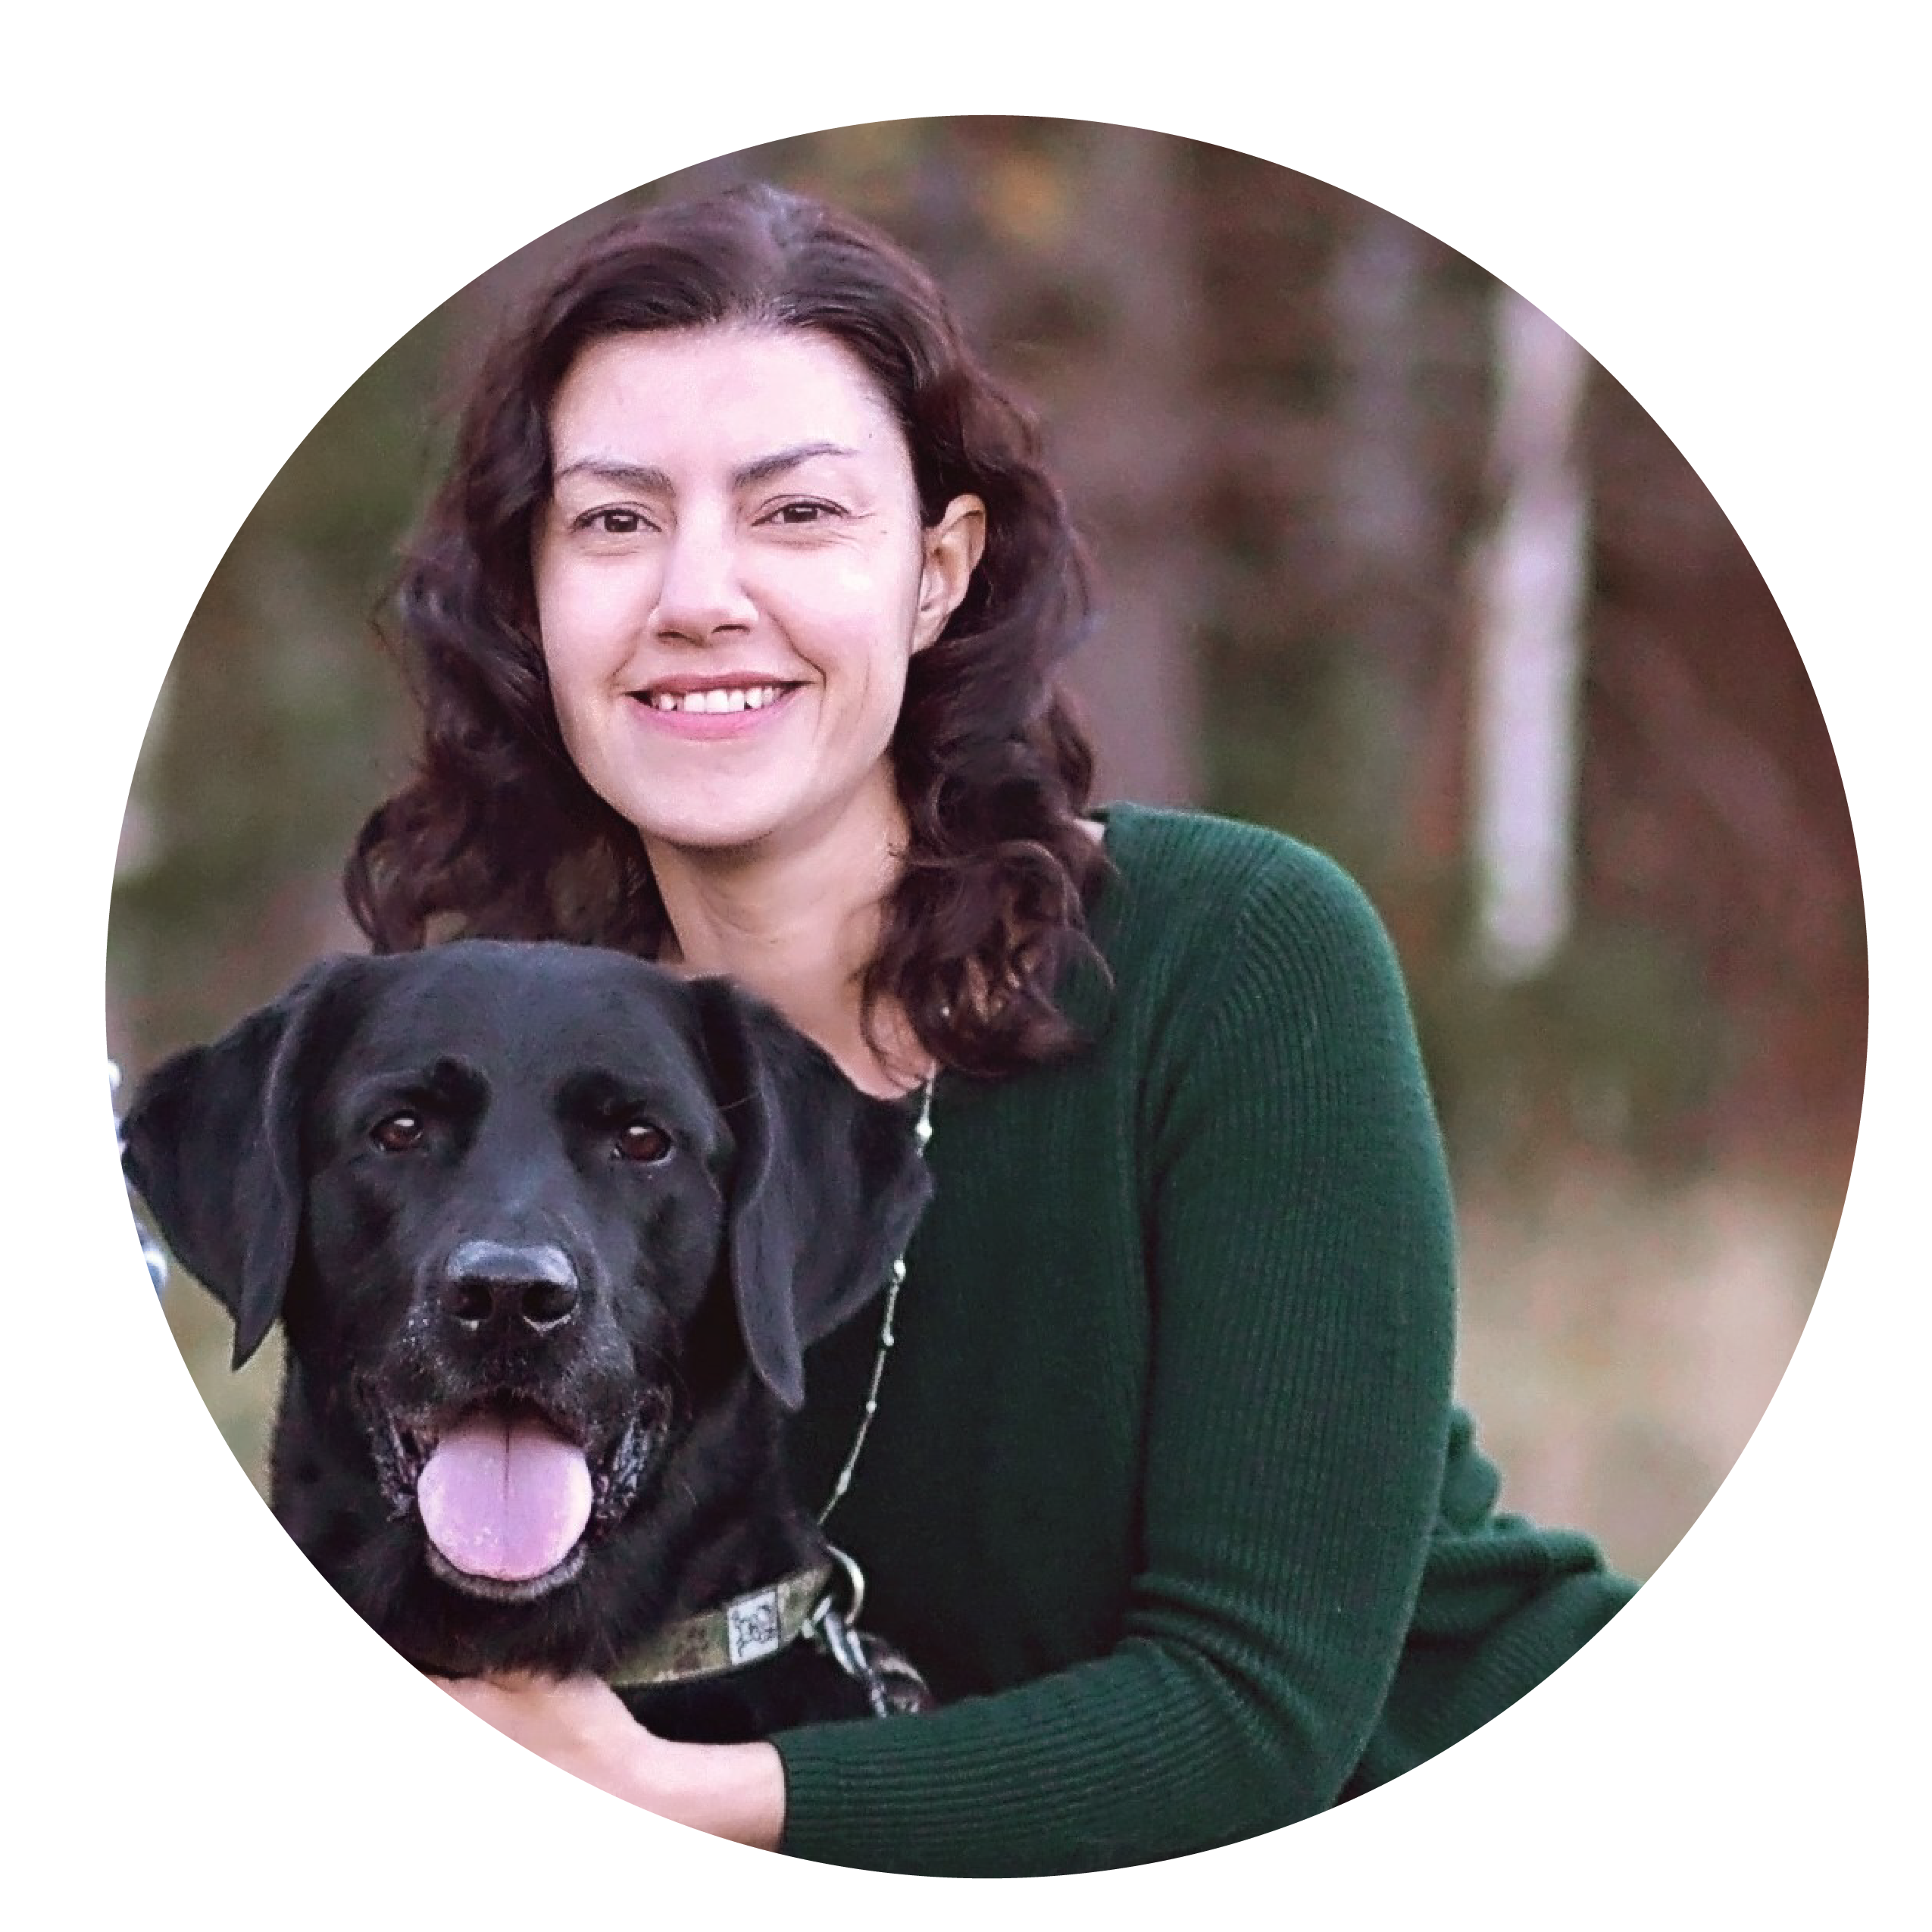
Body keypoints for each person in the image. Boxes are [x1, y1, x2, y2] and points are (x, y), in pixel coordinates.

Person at [342, 182, 1635, 1877]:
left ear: (939, 571)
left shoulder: (1231, 960)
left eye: (798, 515)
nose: (699, 595)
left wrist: (697, 1805)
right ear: (529, 590)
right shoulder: (506, 1103)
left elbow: (1258, 1704)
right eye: (613, 522)